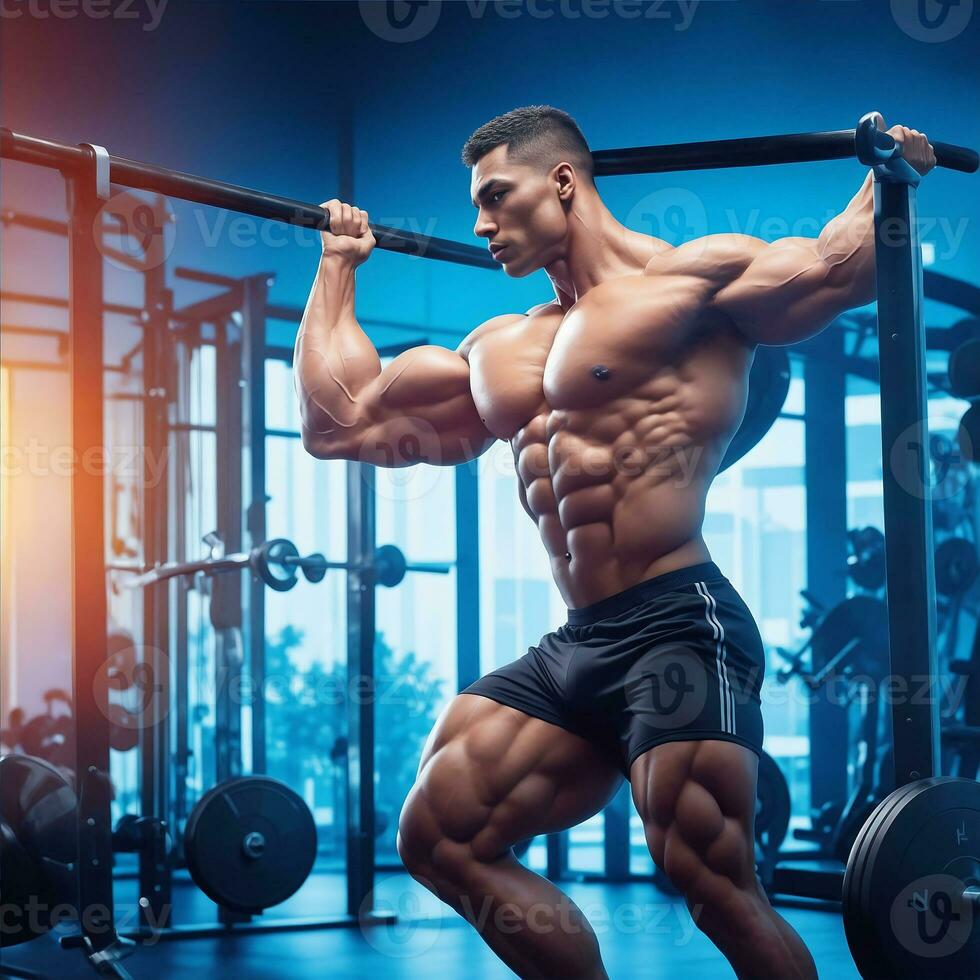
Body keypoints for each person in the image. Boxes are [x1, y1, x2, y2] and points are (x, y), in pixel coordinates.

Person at [294, 105, 936, 979]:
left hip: (678, 620)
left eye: (495, 196)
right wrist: (336, 268)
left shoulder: (691, 285)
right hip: (580, 640)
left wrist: (884, 172)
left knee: (711, 882)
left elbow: (836, 268)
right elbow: (339, 423)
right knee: (439, 833)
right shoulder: (498, 347)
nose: (480, 224)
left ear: (562, 182)